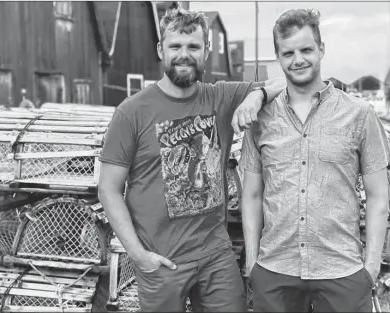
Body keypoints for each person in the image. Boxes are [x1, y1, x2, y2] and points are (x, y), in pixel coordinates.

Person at [98, 5, 285, 312]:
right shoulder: (131, 112)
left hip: (215, 254)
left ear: (205, 51)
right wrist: (138, 255)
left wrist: (257, 95)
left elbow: (283, 82)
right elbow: (108, 188)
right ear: (161, 49)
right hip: (161, 259)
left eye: (193, 46)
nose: (184, 54)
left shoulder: (220, 96)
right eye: (175, 46)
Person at [240, 8, 390, 312]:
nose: (298, 59)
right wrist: (253, 261)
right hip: (275, 271)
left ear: (321, 49)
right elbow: (252, 195)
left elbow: (378, 196)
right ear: (278, 57)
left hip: (342, 271)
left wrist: (370, 267)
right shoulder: (260, 120)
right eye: (288, 52)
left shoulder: (360, 115)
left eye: (306, 49)